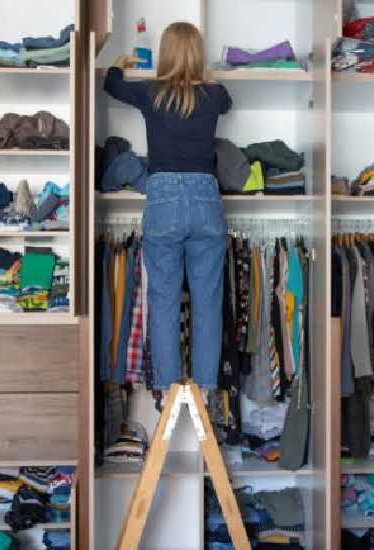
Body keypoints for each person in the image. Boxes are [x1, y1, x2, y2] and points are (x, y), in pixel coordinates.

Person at [104, 22, 232, 390]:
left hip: (164, 200)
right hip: (206, 199)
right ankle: (205, 391)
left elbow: (110, 84)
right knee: (208, 302)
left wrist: (118, 63)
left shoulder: (151, 92)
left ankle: (170, 391)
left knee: (164, 301)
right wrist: (205, 76)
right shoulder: (213, 95)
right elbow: (227, 99)